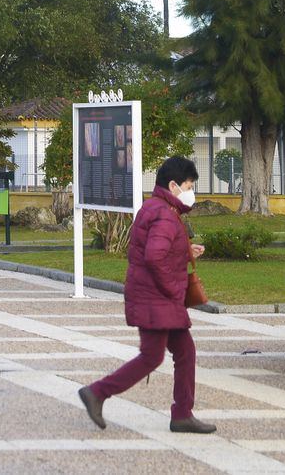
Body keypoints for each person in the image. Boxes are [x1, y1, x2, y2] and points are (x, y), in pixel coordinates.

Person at [79, 155, 216, 434]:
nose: (192, 193)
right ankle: (97, 392)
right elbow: (154, 257)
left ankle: (182, 414)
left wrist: (187, 250)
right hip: (157, 299)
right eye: (190, 186)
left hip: (156, 298)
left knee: (185, 351)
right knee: (151, 357)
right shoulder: (165, 213)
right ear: (175, 185)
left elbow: (157, 248)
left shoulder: (157, 207)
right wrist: (172, 289)